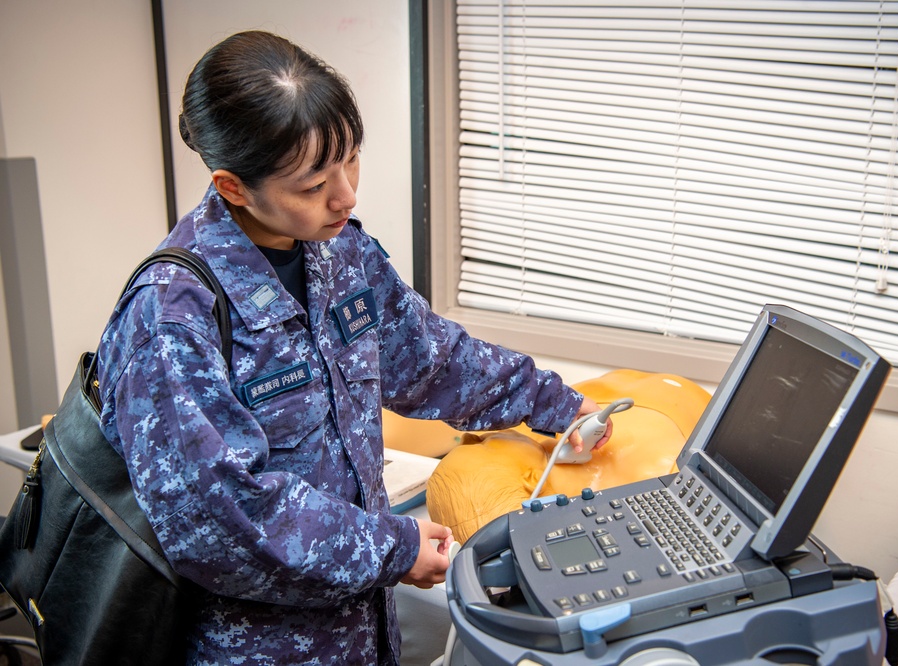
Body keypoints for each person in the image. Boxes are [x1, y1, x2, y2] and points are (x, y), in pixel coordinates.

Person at [96, 30, 612, 665]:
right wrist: (392, 548)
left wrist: (556, 404)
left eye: (352, 159)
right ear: (233, 187)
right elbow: (224, 522)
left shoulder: (337, 252)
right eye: (313, 186)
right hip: (256, 650)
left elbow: (432, 360)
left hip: (364, 635)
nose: (346, 195)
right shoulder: (173, 315)